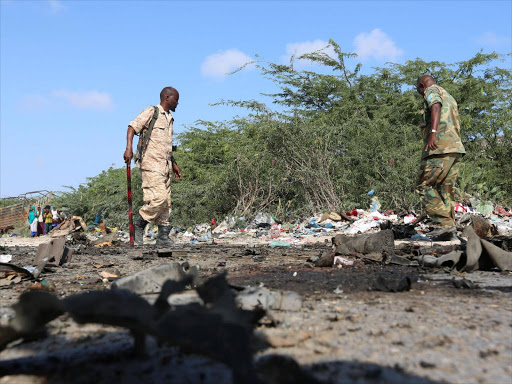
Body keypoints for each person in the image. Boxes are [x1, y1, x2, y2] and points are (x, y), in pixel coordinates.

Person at [123, 87, 182, 246]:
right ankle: (139, 225)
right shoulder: (152, 111)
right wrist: (128, 148)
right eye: (176, 99)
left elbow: (166, 146)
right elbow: (132, 127)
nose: (178, 103)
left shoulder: (169, 118)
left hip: (165, 166)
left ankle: (163, 237)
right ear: (167, 97)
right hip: (150, 163)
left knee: (166, 203)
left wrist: (174, 165)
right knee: (158, 198)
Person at [415, 75, 466, 238]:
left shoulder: (432, 90)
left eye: (419, 89)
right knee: (446, 189)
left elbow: (435, 106)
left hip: (439, 147)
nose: (420, 93)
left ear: (422, 85)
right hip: (455, 149)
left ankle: (443, 223)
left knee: (424, 186)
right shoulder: (449, 96)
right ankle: (449, 229)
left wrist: (433, 133)